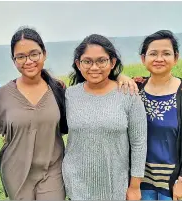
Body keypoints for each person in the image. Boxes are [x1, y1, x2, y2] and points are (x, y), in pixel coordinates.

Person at [0, 27, 138, 200]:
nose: (28, 61)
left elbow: (92, 90)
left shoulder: (58, 89)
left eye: (34, 54)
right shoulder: (3, 94)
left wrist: (119, 77)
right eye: (20, 56)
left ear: (44, 54)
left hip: (53, 170)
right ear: (13, 60)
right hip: (16, 172)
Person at [61, 34, 148, 200]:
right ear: (78, 64)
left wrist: (135, 186)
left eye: (101, 60)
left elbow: (139, 142)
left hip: (115, 186)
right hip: (77, 185)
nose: (94, 67)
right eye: (87, 61)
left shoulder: (128, 94)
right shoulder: (69, 95)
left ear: (112, 62)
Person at [132, 30, 182, 200]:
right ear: (143, 58)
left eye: (166, 53)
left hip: (173, 184)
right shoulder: (135, 87)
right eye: (153, 53)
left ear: (176, 58)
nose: (159, 58)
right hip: (140, 183)